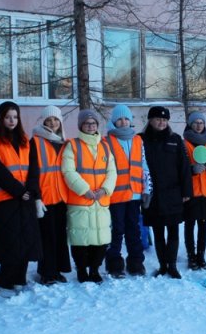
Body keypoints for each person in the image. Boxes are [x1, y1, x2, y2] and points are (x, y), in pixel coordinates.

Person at [0, 102, 41, 295]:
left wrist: (31, 189)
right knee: (10, 242)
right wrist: (17, 190)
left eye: (15, 117)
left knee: (25, 240)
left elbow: (34, 167)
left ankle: (19, 278)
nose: (12, 121)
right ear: (1, 119)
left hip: (26, 198)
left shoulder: (25, 139)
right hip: (6, 198)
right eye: (8, 117)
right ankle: (3, 281)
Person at [62, 109, 117, 283]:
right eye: (87, 123)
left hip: (100, 201)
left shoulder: (105, 146)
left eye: (93, 123)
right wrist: (84, 189)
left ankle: (94, 269)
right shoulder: (73, 145)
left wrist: (105, 190)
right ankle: (81, 270)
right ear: (81, 125)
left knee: (100, 239)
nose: (91, 126)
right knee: (80, 239)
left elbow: (112, 172)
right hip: (80, 201)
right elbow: (68, 171)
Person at [141, 106, 192, 279]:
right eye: (158, 119)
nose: (161, 122)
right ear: (150, 120)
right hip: (151, 195)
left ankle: (172, 265)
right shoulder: (141, 140)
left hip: (173, 193)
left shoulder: (175, 139)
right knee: (157, 231)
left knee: (173, 231)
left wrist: (186, 191)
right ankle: (162, 265)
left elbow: (184, 168)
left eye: (164, 120)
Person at [103, 105, 151, 278]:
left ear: (130, 121)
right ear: (114, 121)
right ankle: (114, 264)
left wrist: (147, 189)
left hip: (135, 194)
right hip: (115, 196)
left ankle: (136, 263)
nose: (123, 122)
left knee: (134, 230)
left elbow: (143, 166)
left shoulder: (138, 140)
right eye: (120, 119)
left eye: (126, 119)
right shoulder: (107, 141)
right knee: (116, 230)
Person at [32, 105, 72, 285]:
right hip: (45, 196)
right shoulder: (36, 141)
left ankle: (57, 270)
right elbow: (32, 171)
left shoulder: (65, 142)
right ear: (44, 121)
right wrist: (36, 196)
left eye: (56, 119)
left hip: (62, 197)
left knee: (60, 236)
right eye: (49, 120)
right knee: (46, 237)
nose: (52, 123)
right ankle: (46, 272)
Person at [182, 111, 206, 270]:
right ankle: (191, 256)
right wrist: (192, 169)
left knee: (203, 226)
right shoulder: (183, 144)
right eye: (195, 122)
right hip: (192, 191)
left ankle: (201, 256)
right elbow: (179, 169)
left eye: (201, 122)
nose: (198, 125)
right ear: (190, 124)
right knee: (190, 225)